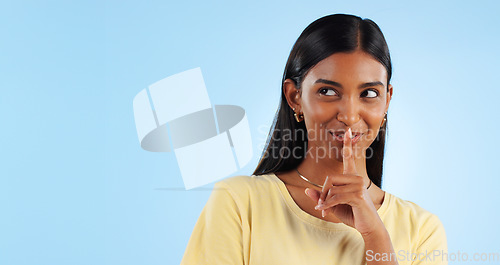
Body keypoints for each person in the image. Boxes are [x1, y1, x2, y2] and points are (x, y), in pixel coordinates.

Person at [181, 13, 447, 265]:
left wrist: (376, 235)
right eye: (328, 91)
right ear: (294, 97)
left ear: (387, 100)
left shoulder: (422, 229)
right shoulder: (239, 203)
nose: (349, 115)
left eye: (368, 94)